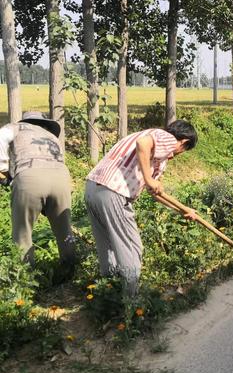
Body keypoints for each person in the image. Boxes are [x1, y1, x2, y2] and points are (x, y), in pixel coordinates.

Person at [84, 120, 198, 295]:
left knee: (107, 245)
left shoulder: (156, 154)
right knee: (132, 248)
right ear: (183, 143)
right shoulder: (166, 137)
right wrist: (148, 177)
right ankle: (131, 302)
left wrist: (183, 210)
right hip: (114, 191)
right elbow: (143, 144)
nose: (177, 155)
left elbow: (156, 192)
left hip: (93, 188)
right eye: (183, 150)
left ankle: (107, 293)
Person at [0, 112, 76, 280]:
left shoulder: (16, 127)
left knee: (22, 233)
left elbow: (1, 137)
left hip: (29, 175)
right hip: (61, 178)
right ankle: (71, 274)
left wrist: (3, 169)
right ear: (44, 123)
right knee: (65, 231)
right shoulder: (51, 136)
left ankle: (25, 279)